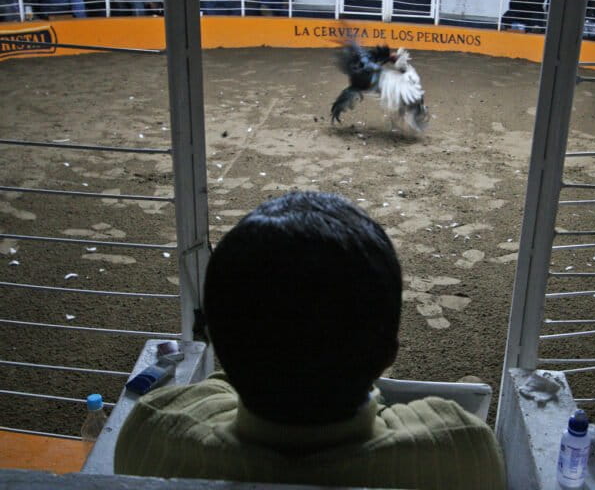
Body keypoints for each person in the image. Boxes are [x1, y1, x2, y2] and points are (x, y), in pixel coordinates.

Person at [114, 191, 506, 489]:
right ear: (389, 354)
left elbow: (213, 391)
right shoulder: (461, 451)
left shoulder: (154, 431)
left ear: (216, 341)